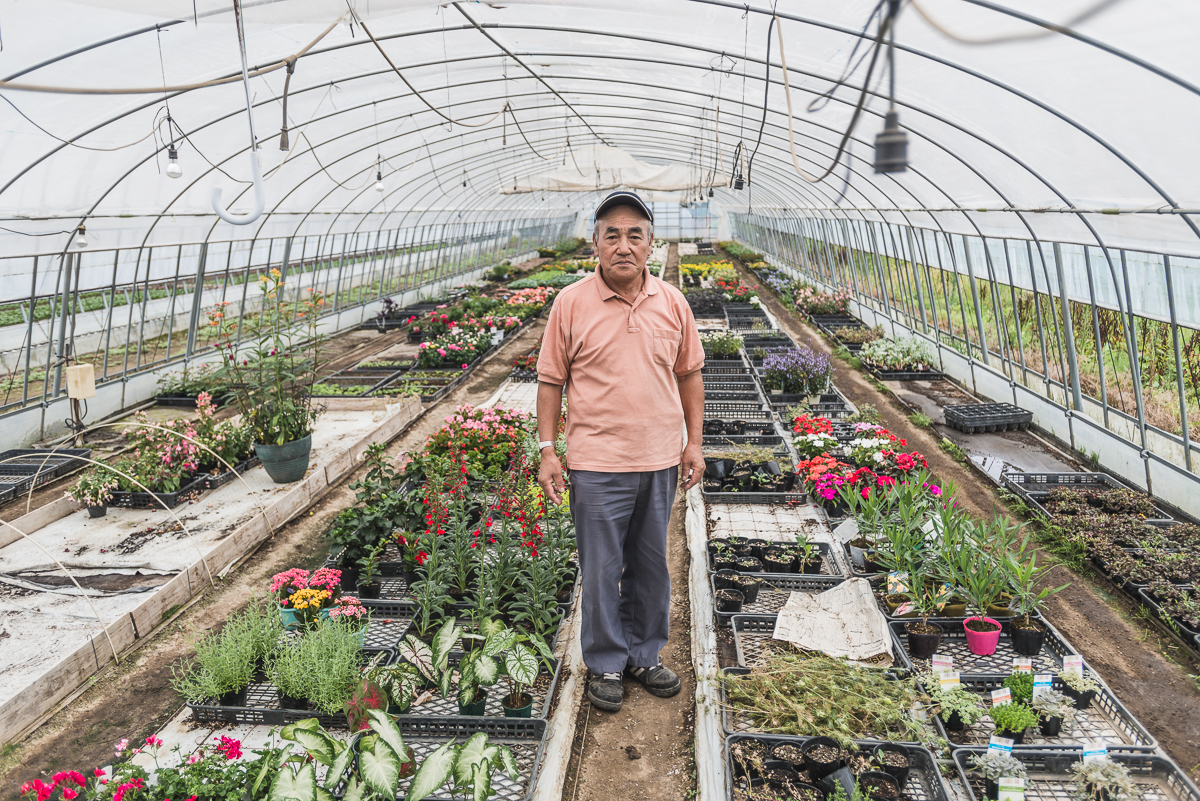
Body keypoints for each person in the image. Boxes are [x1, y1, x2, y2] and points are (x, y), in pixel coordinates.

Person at [535, 190, 705, 712]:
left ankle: (645, 655)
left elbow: (690, 373)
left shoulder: (673, 302)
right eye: (613, 234)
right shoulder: (571, 303)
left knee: (652, 565)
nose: (624, 245)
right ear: (595, 244)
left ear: (651, 244)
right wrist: (548, 450)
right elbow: (550, 381)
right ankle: (606, 662)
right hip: (595, 464)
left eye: (635, 235)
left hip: (658, 461)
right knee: (602, 567)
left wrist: (693, 443)